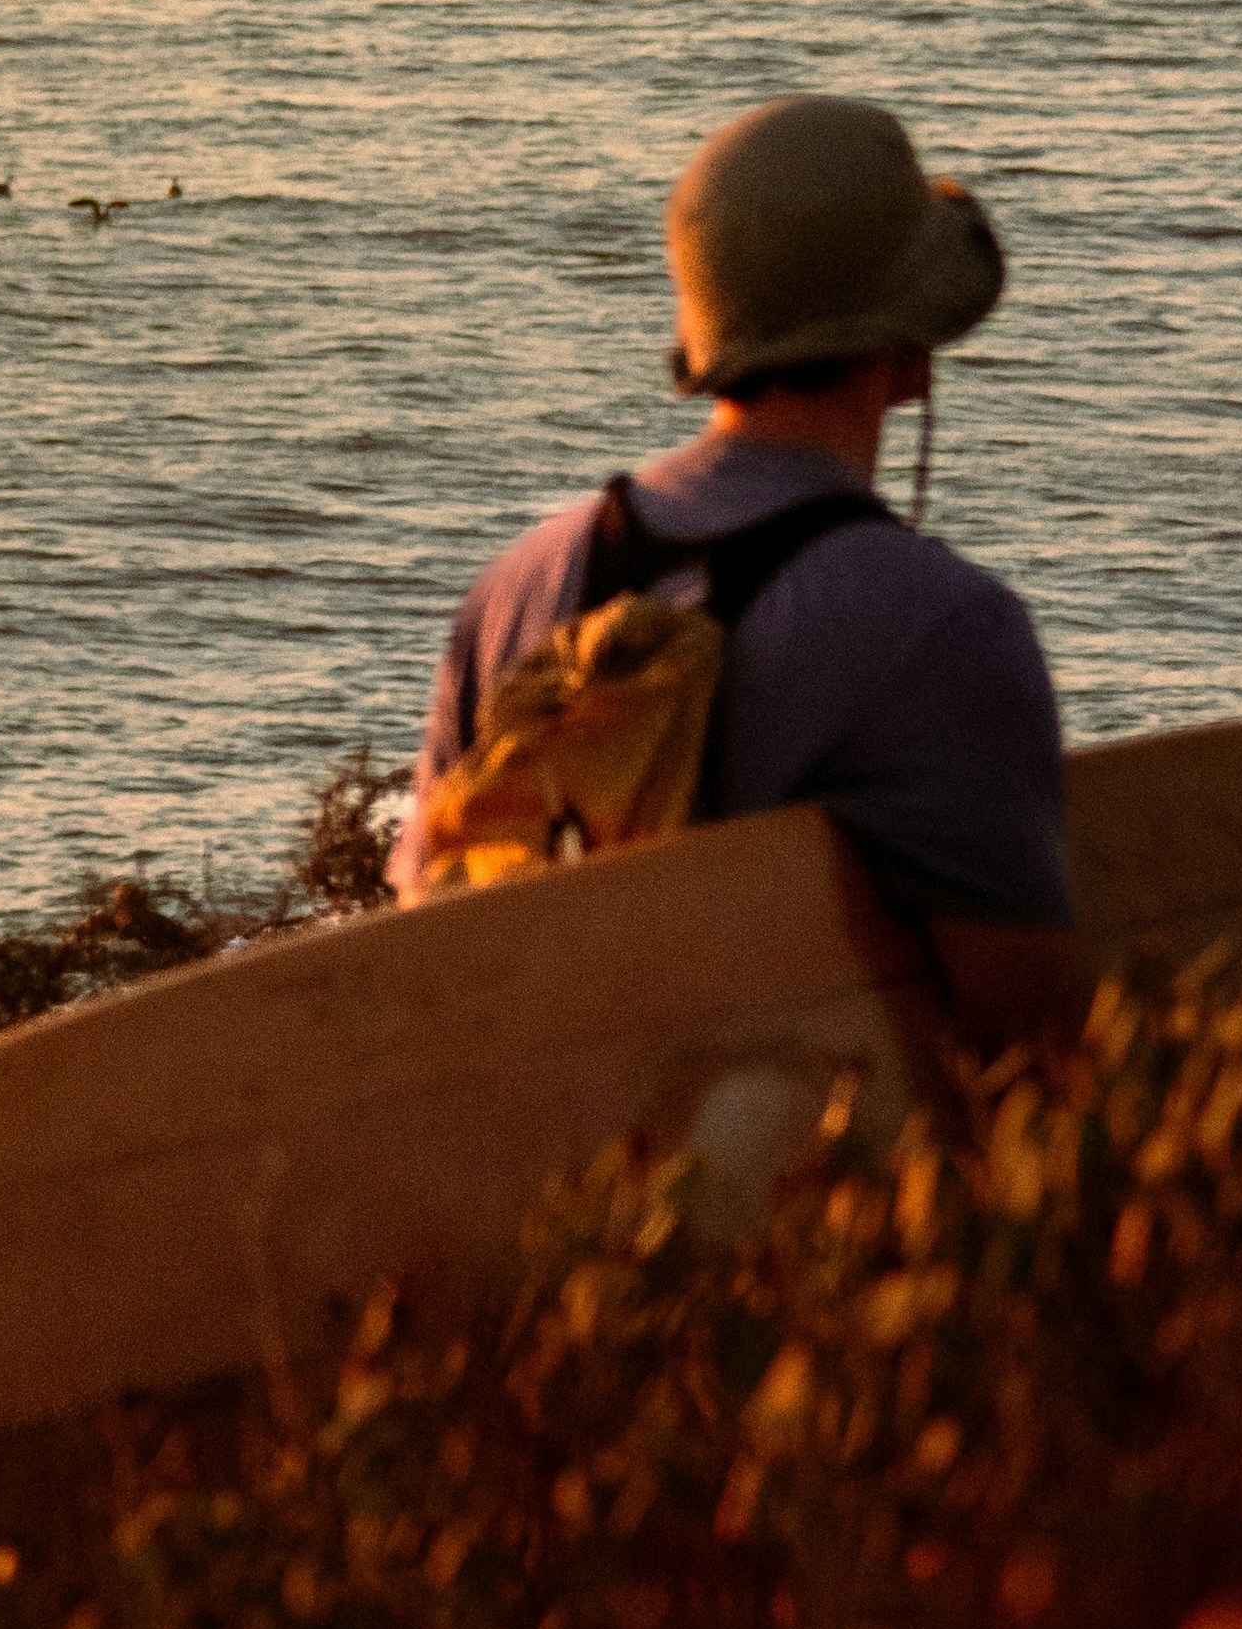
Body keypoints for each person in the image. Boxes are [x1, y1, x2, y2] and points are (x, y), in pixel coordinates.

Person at [397, 94, 1088, 1042]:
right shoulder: (944, 628)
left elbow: (417, 938)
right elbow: (1032, 1046)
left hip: (543, 1169)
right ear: (914, 353)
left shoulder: (515, 588)